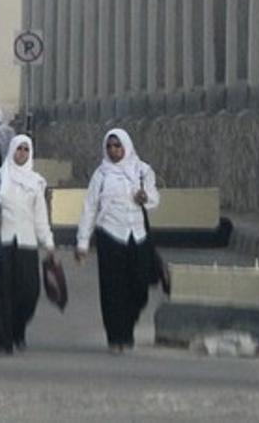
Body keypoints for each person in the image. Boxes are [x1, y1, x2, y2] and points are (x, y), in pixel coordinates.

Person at [74, 128, 160, 353]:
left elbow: (154, 197)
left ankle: (129, 324)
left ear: (126, 146)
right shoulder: (101, 175)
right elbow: (90, 208)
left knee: (139, 286)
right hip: (110, 235)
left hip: (137, 235)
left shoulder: (142, 170)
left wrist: (145, 198)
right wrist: (82, 242)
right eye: (110, 147)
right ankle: (116, 336)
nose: (114, 151)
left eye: (117, 146)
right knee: (113, 289)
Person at [0, 134, 56, 355]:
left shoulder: (37, 182)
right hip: (1, 243)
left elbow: (40, 217)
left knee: (29, 292)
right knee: (1, 294)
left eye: (25, 150)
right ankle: (3, 340)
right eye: (18, 149)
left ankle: (18, 329)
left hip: (27, 244)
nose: (22, 153)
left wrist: (48, 243)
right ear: (11, 151)